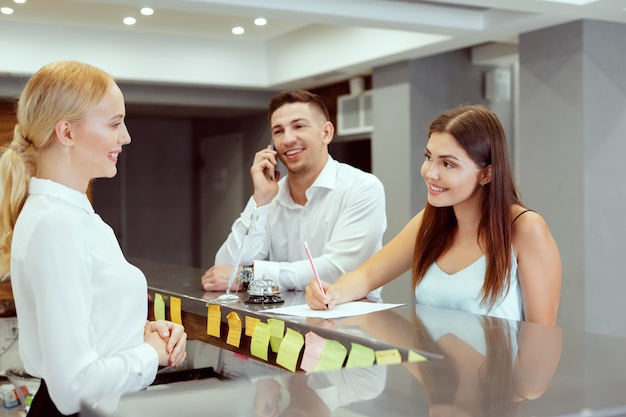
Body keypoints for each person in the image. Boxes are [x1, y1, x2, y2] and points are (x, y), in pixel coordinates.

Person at [0, 61, 187, 416]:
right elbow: (73, 388)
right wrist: (151, 353)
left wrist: (141, 334)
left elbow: (90, 327)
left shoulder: (73, 217)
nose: (126, 136)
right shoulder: (57, 224)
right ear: (66, 133)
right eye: (115, 123)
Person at [305, 104, 561, 326]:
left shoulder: (526, 228)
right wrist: (333, 292)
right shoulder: (430, 222)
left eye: (448, 164)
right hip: (436, 378)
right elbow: (368, 275)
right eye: (429, 157)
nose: (430, 173)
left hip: (499, 380)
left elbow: (541, 338)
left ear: (487, 174)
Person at [201, 90, 387, 299]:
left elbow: (337, 271)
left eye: (299, 126)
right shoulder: (271, 196)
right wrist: (259, 200)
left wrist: (249, 275)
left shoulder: (362, 188)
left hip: (351, 324)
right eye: (278, 131)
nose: (287, 139)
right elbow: (224, 269)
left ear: (326, 133)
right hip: (283, 324)